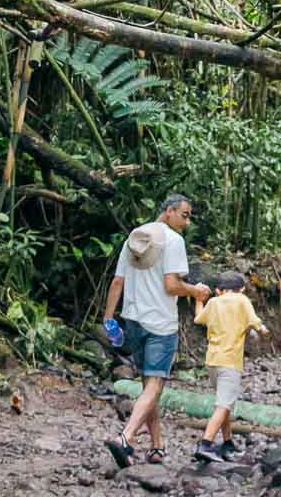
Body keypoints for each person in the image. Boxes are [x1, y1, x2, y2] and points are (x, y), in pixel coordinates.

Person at [102, 192, 209, 468]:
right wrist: (195, 291)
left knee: (149, 386)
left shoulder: (135, 237)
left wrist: (108, 318)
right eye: (184, 215)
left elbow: (117, 282)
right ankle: (125, 439)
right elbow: (171, 285)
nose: (186, 222)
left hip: (133, 321)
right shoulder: (173, 241)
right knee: (155, 384)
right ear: (169, 211)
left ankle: (157, 446)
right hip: (160, 324)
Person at [192, 270, 268, 462]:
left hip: (212, 361)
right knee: (224, 405)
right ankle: (205, 444)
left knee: (223, 404)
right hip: (230, 363)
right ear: (241, 288)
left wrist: (198, 299)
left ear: (219, 290)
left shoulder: (213, 302)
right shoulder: (242, 300)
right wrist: (262, 330)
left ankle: (227, 443)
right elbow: (255, 322)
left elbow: (198, 319)